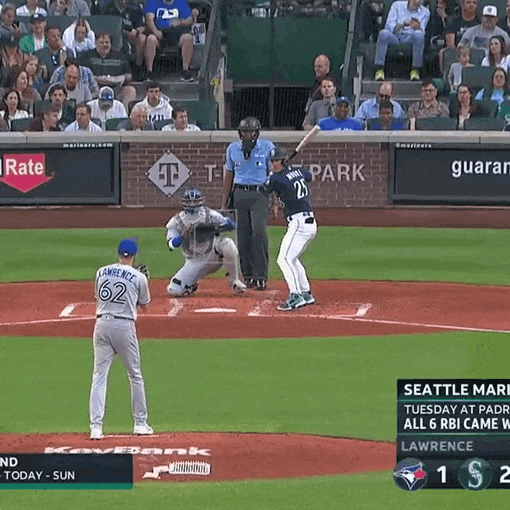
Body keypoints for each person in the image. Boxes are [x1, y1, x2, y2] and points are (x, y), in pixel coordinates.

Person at [89, 238, 153, 440]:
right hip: (124, 326)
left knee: (99, 376)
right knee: (135, 375)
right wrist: (145, 282)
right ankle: (140, 424)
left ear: (118, 253)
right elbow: (145, 305)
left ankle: (96, 428)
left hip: (102, 324)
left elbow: (98, 297)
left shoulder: (101, 272)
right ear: (134, 256)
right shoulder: (138, 277)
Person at [222, 117, 274, 291]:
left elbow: (272, 173)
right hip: (240, 192)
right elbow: (229, 174)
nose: (247, 135)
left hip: (260, 193)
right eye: (244, 132)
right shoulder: (233, 148)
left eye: (250, 132)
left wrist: (274, 201)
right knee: (243, 235)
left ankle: (262, 275)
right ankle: (248, 274)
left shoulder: (267, 147)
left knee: (259, 232)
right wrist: (225, 201)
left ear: (256, 133)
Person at [165, 187, 247, 297]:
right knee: (174, 290)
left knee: (227, 243)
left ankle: (235, 281)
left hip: (213, 255)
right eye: (190, 201)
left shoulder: (209, 214)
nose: (193, 204)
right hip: (195, 260)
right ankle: (192, 283)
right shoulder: (177, 220)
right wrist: (183, 237)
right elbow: (171, 245)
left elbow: (232, 225)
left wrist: (214, 228)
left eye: (195, 201)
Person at [265, 145, 317, 311]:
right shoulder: (299, 171)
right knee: (292, 258)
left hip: (299, 223)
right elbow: (308, 175)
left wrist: (273, 176)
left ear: (283, 161)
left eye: (276, 161)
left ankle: (296, 295)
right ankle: (305, 292)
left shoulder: (276, 179)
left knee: (284, 259)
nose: (272, 164)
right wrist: (290, 170)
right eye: (272, 161)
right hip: (309, 223)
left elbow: (264, 189)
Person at [373, 0, 431, 81]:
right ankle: (379, 69)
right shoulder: (397, 5)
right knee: (383, 33)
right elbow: (389, 26)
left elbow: (422, 31)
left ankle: (415, 70)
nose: (418, 1)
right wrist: (404, 24)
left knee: (419, 35)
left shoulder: (426, 12)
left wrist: (417, 27)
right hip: (395, 36)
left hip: (410, 37)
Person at [79, 31, 136, 110]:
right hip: (94, 89)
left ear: (111, 44)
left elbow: (129, 76)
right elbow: (82, 74)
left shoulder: (120, 57)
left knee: (130, 90)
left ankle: (125, 115)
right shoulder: (88, 56)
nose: (104, 45)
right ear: (96, 43)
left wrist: (116, 79)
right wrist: (96, 78)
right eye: (101, 42)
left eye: (107, 42)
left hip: (116, 88)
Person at [144, 0, 196, 82]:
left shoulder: (180, 2)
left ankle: (185, 71)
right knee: (151, 38)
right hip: (160, 34)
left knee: (188, 38)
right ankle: (149, 72)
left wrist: (180, 22)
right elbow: (149, 19)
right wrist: (156, 32)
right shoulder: (154, 2)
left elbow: (189, 19)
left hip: (177, 34)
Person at [103, 0, 147, 80]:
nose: (123, 1)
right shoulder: (108, 8)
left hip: (130, 35)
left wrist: (136, 31)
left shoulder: (135, 8)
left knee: (142, 38)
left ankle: (138, 68)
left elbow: (142, 27)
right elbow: (104, 25)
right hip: (113, 35)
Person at [442, 0, 479, 73]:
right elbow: (451, 44)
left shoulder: (479, 22)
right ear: (462, 4)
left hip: (474, 53)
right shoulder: (453, 21)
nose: (471, 5)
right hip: (457, 53)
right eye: (468, 2)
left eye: (474, 3)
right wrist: (462, 55)